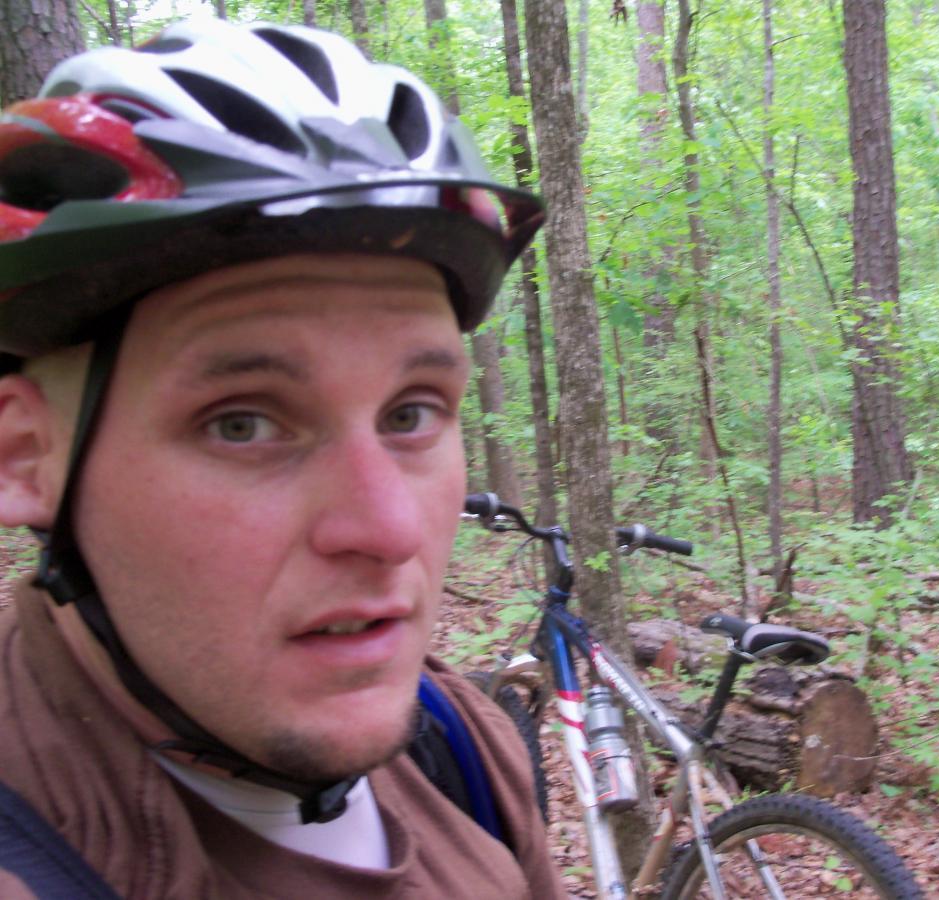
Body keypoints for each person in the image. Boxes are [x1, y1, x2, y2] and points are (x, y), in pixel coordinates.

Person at [0, 17, 564, 899]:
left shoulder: (466, 753)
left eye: (412, 412)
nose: (386, 529)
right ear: (24, 455)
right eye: (243, 424)